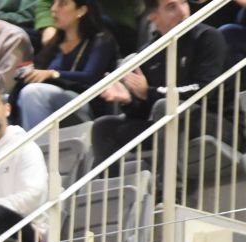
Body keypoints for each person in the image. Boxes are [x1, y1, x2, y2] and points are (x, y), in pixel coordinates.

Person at [88, 0, 229, 165]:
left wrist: (149, 92)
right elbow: (145, 112)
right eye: (171, 7)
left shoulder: (207, 37)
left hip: (218, 121)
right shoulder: (149, 53)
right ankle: (113, 189)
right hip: (168, 123)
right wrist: (129, 101)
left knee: (165, 107)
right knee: (103, 127)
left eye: (184, 3)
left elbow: (203, 91)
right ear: (153, 16)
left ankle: (171, 187)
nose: (182, 12)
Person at [17, 0, 117, 125]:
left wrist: (53, 74)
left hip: (84, 105)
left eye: (62, 4)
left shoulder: (101, 40)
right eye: (53, 3)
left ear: (81, 11)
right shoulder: (54, 43)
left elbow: (90, 77)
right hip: (48, 101)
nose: (54, 9)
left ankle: (37, 144)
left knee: (33, 92)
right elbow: (40, 70)